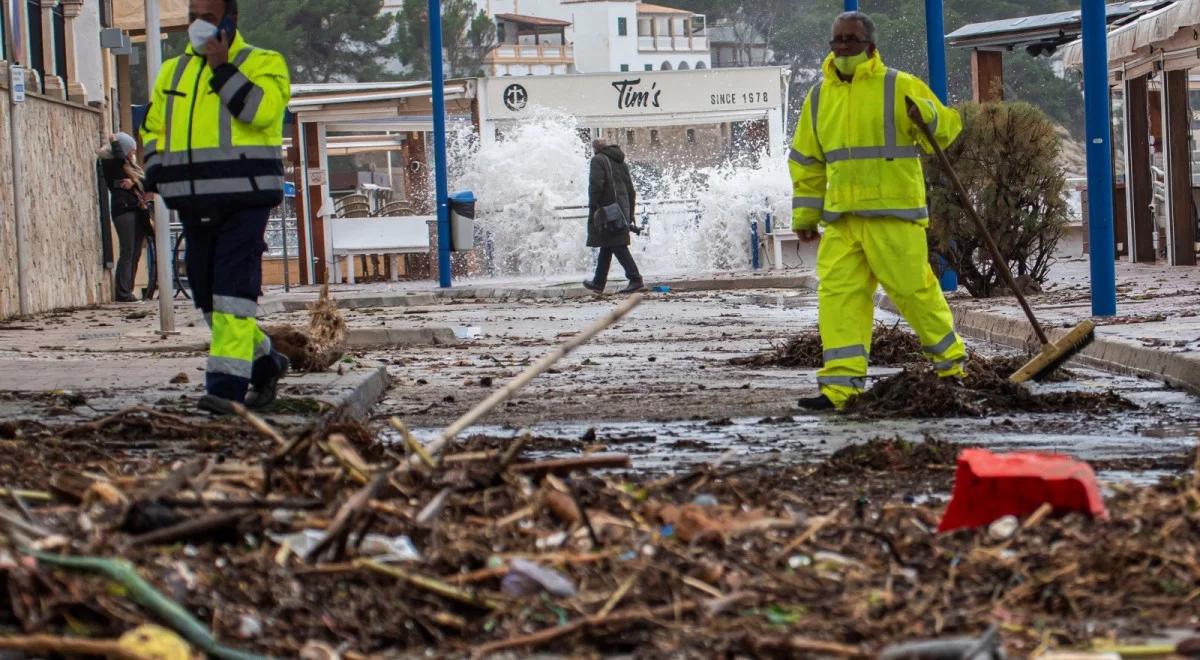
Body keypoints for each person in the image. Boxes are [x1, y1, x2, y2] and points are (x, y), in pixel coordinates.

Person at [789, 11, 968, 411]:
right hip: (842, 219)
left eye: (851, 40)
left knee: (913, 292)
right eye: (837, 40)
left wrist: (930, 117)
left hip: (893, 215)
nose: (843, 48)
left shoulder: (898, 85)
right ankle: (840, 389)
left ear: (870, 45)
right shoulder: (819, 97)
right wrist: (805, 216)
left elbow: (950, 126)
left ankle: (952, 367)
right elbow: (806, 161)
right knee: (839, 300)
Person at [140, 0, 291, 415]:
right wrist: (156, 171)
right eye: (193, 17)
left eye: (208, 17)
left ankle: (225, 389)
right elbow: (152, 129)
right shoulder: (173, 71)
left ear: (231, 19)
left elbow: (260, 112)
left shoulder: (264, 62)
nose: (198, 25)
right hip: (193, 200)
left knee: (232, 295)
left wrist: (222, 67)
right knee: (207, 296)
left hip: (245, 200)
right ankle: (266, 364)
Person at [584, 139, 646, 294]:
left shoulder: (597, 160)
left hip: (608, 209)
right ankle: (598, 282)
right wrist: (630, 212)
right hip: (621, 209)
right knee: (608, 244)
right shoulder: (620, 162)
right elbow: (631, 190)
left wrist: (593, 207)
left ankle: (635, 279)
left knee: (617, 245)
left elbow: (596, 185)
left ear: (595, 149)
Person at [98, 132, 150, 303]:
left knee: (135, 252)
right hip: (123, 210)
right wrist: (114, 141)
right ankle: (123, 292)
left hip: (136, 208)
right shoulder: (112, 162)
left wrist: (134, 182)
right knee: (127, 250)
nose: (133, 154)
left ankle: (129, 289)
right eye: (131, 150)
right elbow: (120, 158)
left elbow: (144, 180)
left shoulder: (130, 166)